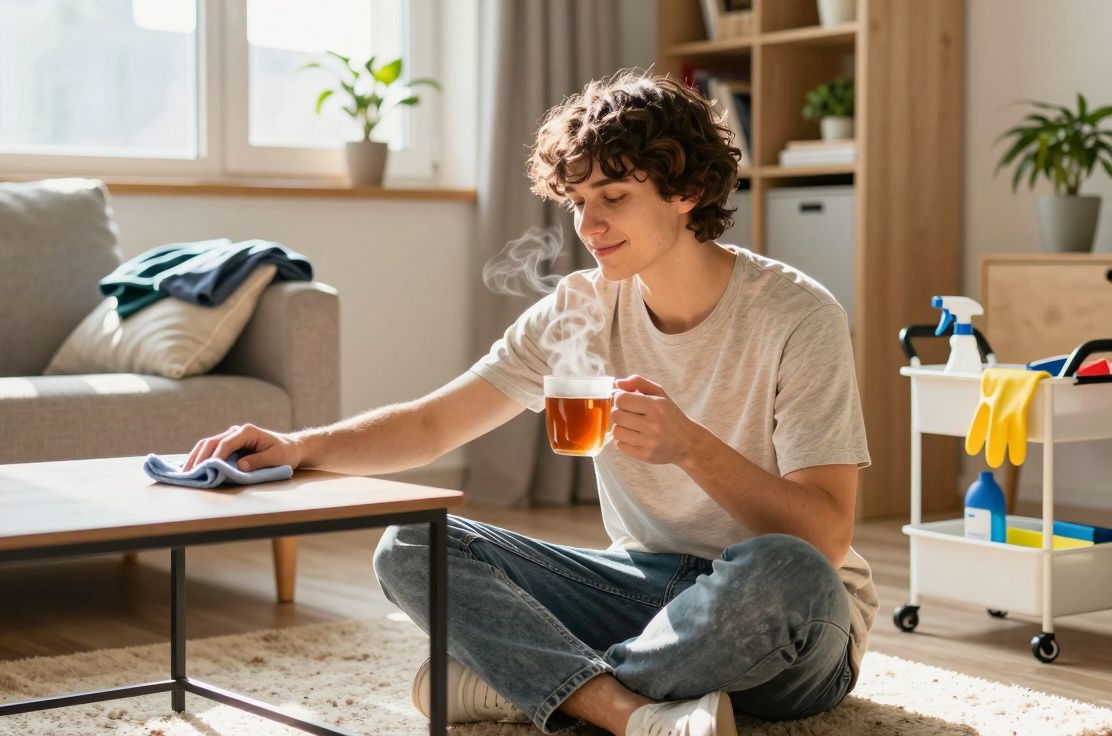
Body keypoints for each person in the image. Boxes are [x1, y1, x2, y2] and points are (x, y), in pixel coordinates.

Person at [183, 69, 877, 736]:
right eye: (577, 202)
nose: (589, 224)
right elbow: (432, 425)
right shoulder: (579, 308)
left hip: (788, 619)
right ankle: (619, 709)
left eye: (613, 196)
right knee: (413, 543)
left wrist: (691, 446)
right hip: (644, 592)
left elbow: (824, 537)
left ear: (688, 189)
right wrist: (300, 447)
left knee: (784, 572)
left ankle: (527, 687)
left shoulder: (797, 316)